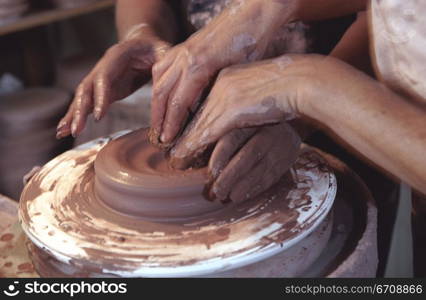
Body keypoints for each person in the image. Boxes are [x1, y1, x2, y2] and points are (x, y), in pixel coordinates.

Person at [56, 0, 368, 203]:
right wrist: (141, 32)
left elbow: (392, 17)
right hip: (204, 105)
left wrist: (301, 117)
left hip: (347, 109)